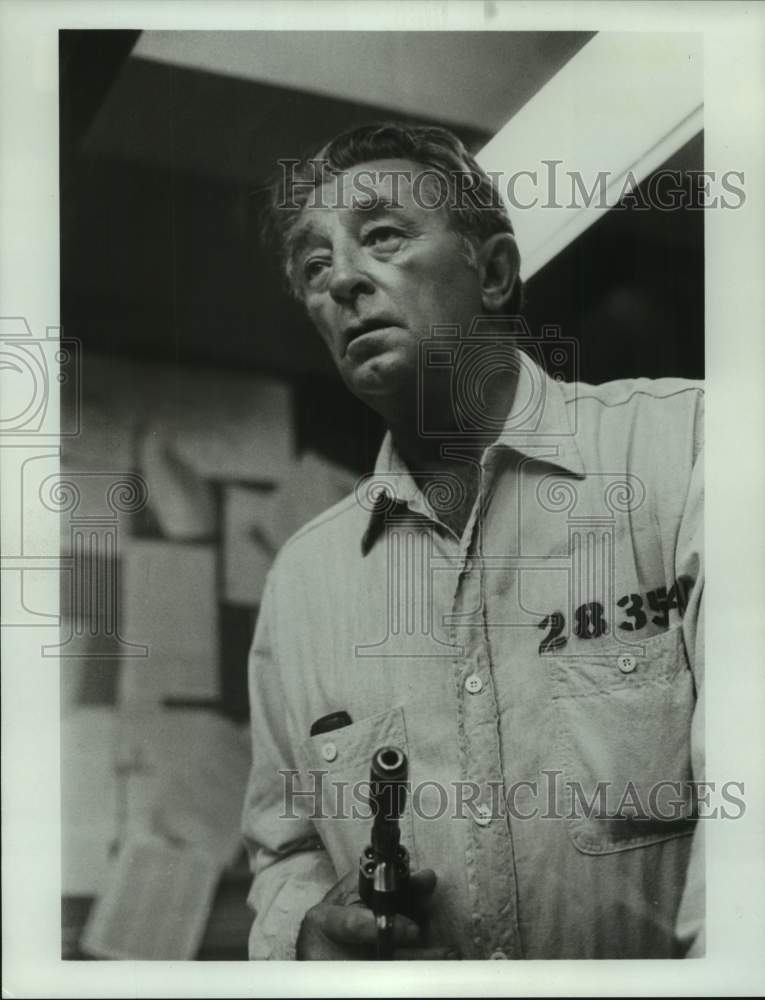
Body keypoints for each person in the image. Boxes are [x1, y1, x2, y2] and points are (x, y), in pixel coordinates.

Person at [241, 122, 704, 960]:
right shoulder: (304, 581)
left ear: (491, 273)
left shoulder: (684, 449)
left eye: (382, 235)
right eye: (313, 266)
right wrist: (303, 938)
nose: (340, 278)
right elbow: (288, 852)